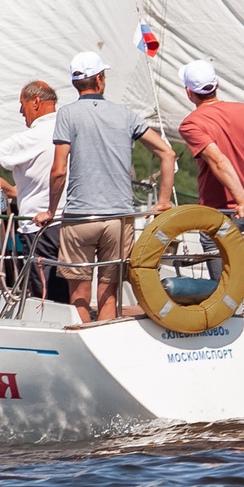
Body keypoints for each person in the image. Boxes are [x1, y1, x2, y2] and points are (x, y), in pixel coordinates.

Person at [41, 50, 176, 323]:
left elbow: (59, 171)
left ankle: (82, 343)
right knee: (109, 293)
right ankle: (104, 334)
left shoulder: (67, 114)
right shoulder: (125, 114)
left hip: (79, 217)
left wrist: (50, 210)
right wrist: (162, 201)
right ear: (100, 79)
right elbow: (167, 154)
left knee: (78, 293)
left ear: (75, 84)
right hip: (118, 218)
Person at [0, 82, 63, 300]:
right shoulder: (71, 130)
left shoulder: (29, 138)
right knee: (69, 287)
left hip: (40, 226)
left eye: (21, 104)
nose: (20, 111)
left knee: (43, 295)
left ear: (35, 102)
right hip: (74, 224)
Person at [174, 59, 244, 217]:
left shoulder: (190, 124)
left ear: (189, 92)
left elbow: (219, 161)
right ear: (217, 84)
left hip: (220, 212)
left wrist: (242, 201)